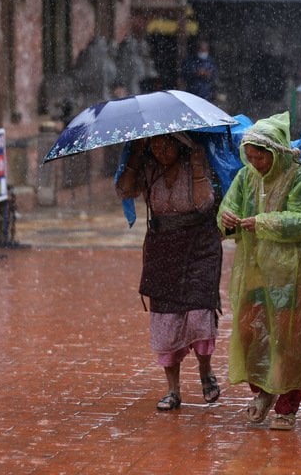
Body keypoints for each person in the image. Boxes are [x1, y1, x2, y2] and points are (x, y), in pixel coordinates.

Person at [217, 112, 301, 431]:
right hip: (254, 272)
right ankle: (262, 392)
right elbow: (228, 207)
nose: (256, 163)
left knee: (290, 341)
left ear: (276, 152)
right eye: (249, 157)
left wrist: (262, 223)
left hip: (294, 275)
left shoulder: (300, 177)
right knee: (252, 334)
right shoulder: (245, 177)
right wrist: (227, 220)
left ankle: (287, 407)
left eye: (260, 157)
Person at [115, 133, 223, 411]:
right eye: (155, 144)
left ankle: (205, 371)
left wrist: (198, 166)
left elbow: (204, 204)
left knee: (199, 315)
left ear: (180, 143)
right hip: (163, 250)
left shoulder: (196, 162)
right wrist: (137, 155)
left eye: (166, 143)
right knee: (166, 321)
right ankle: (173, 390)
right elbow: (124, 190)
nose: (161, 150)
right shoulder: (148, 168)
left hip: (200, 247)